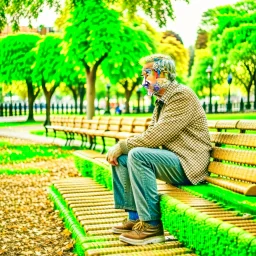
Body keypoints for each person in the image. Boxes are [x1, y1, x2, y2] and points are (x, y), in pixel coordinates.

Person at [106, 54, 212, 246]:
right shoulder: (162, 99)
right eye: (143, 75)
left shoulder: (181, 95)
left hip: (190, 164)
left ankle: (152, 227)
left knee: (136, 155)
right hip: (175, 159)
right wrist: (122, 149)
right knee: (123, 158)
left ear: (163, 74)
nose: (144, 80)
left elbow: (157, 136)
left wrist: (122, 145)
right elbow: (152, 136)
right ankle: (135, 216)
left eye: (147, 74)